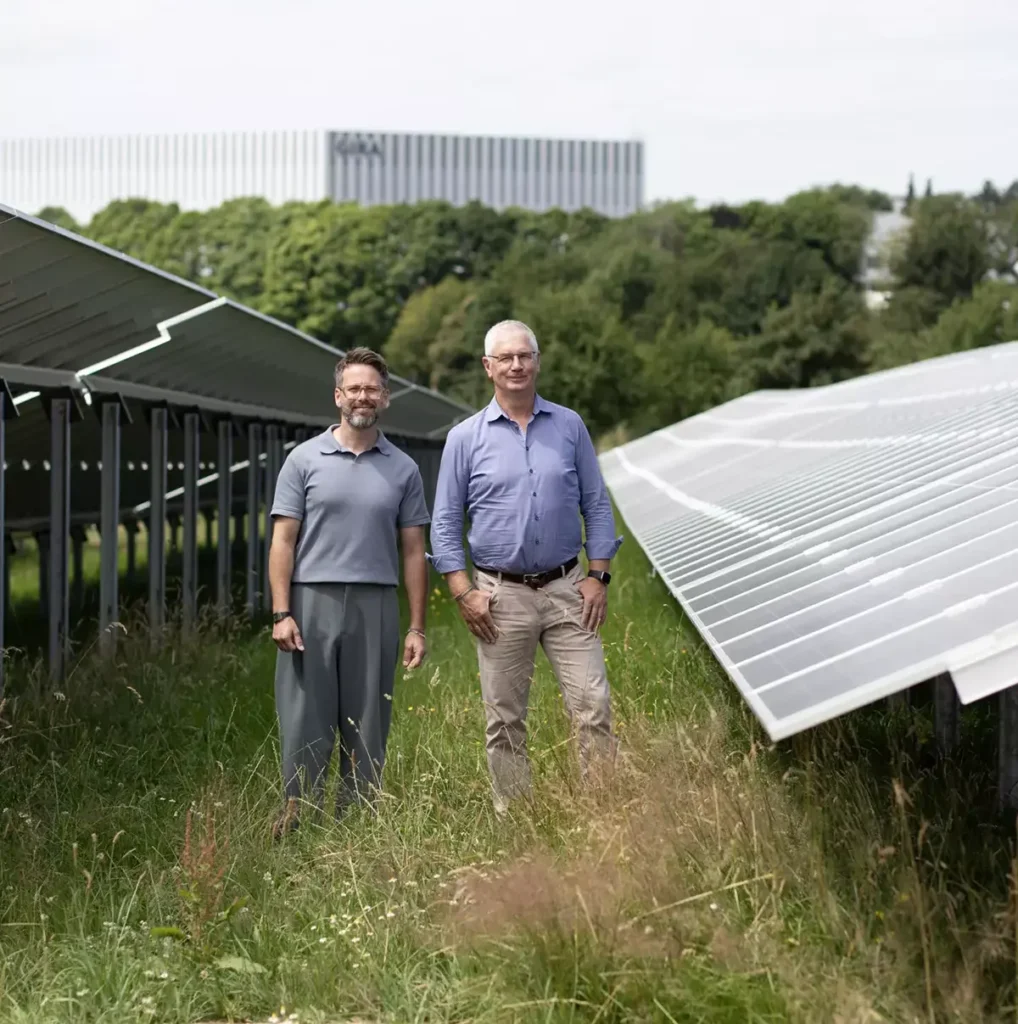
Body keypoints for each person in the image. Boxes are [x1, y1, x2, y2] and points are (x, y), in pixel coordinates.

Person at [429, 319, 623, 815]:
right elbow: (446, 522)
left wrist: (598, 576)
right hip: (500, 596)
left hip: (567, 589)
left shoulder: (569, 426)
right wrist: (462, 592)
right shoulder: (464, 439)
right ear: (488, 367)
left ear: (538, 361)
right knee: (505, 719)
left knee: (593, 707)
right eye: (506, 358)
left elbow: (597, 505)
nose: (517, 365)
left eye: (525, 356)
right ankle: (518, 821)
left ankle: (604, 814)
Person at [267, 346, 430, 836]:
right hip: (309, 601)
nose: (363, 395)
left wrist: (417, 625)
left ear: (386, 398)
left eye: (373, 388)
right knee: (305, 718)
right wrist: (281, 612)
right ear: (338, 395)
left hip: (374, 604)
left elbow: (413, 551)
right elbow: (282, 539)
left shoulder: (403, 469)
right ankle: (300, 818)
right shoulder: (303, 460)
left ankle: (358, 823)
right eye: (354, 387)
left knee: (367, 719)